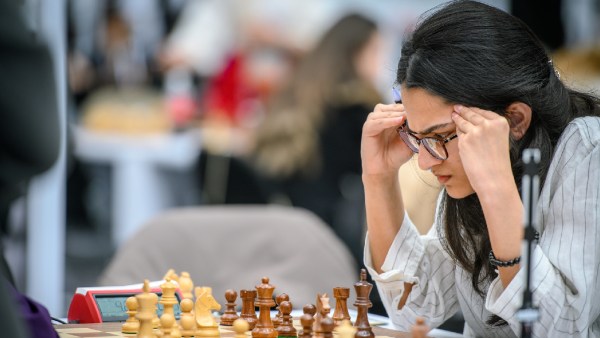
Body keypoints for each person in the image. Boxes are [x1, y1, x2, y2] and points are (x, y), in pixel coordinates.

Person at [361, 1, 600, 337]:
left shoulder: (587, 148)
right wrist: (378, 178)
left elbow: (559, 329)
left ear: (515, 120)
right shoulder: (464, 177)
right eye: (418, 138)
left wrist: (496, 188)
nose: (426, 161)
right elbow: (414, 309)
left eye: (441, 136)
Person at [250, 13, 384, 265]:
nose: (381, 62)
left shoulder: (294, 91)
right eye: (376, 50)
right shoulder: (357, 108)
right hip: (330, 240)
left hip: (276, 232)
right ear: (355, 52)